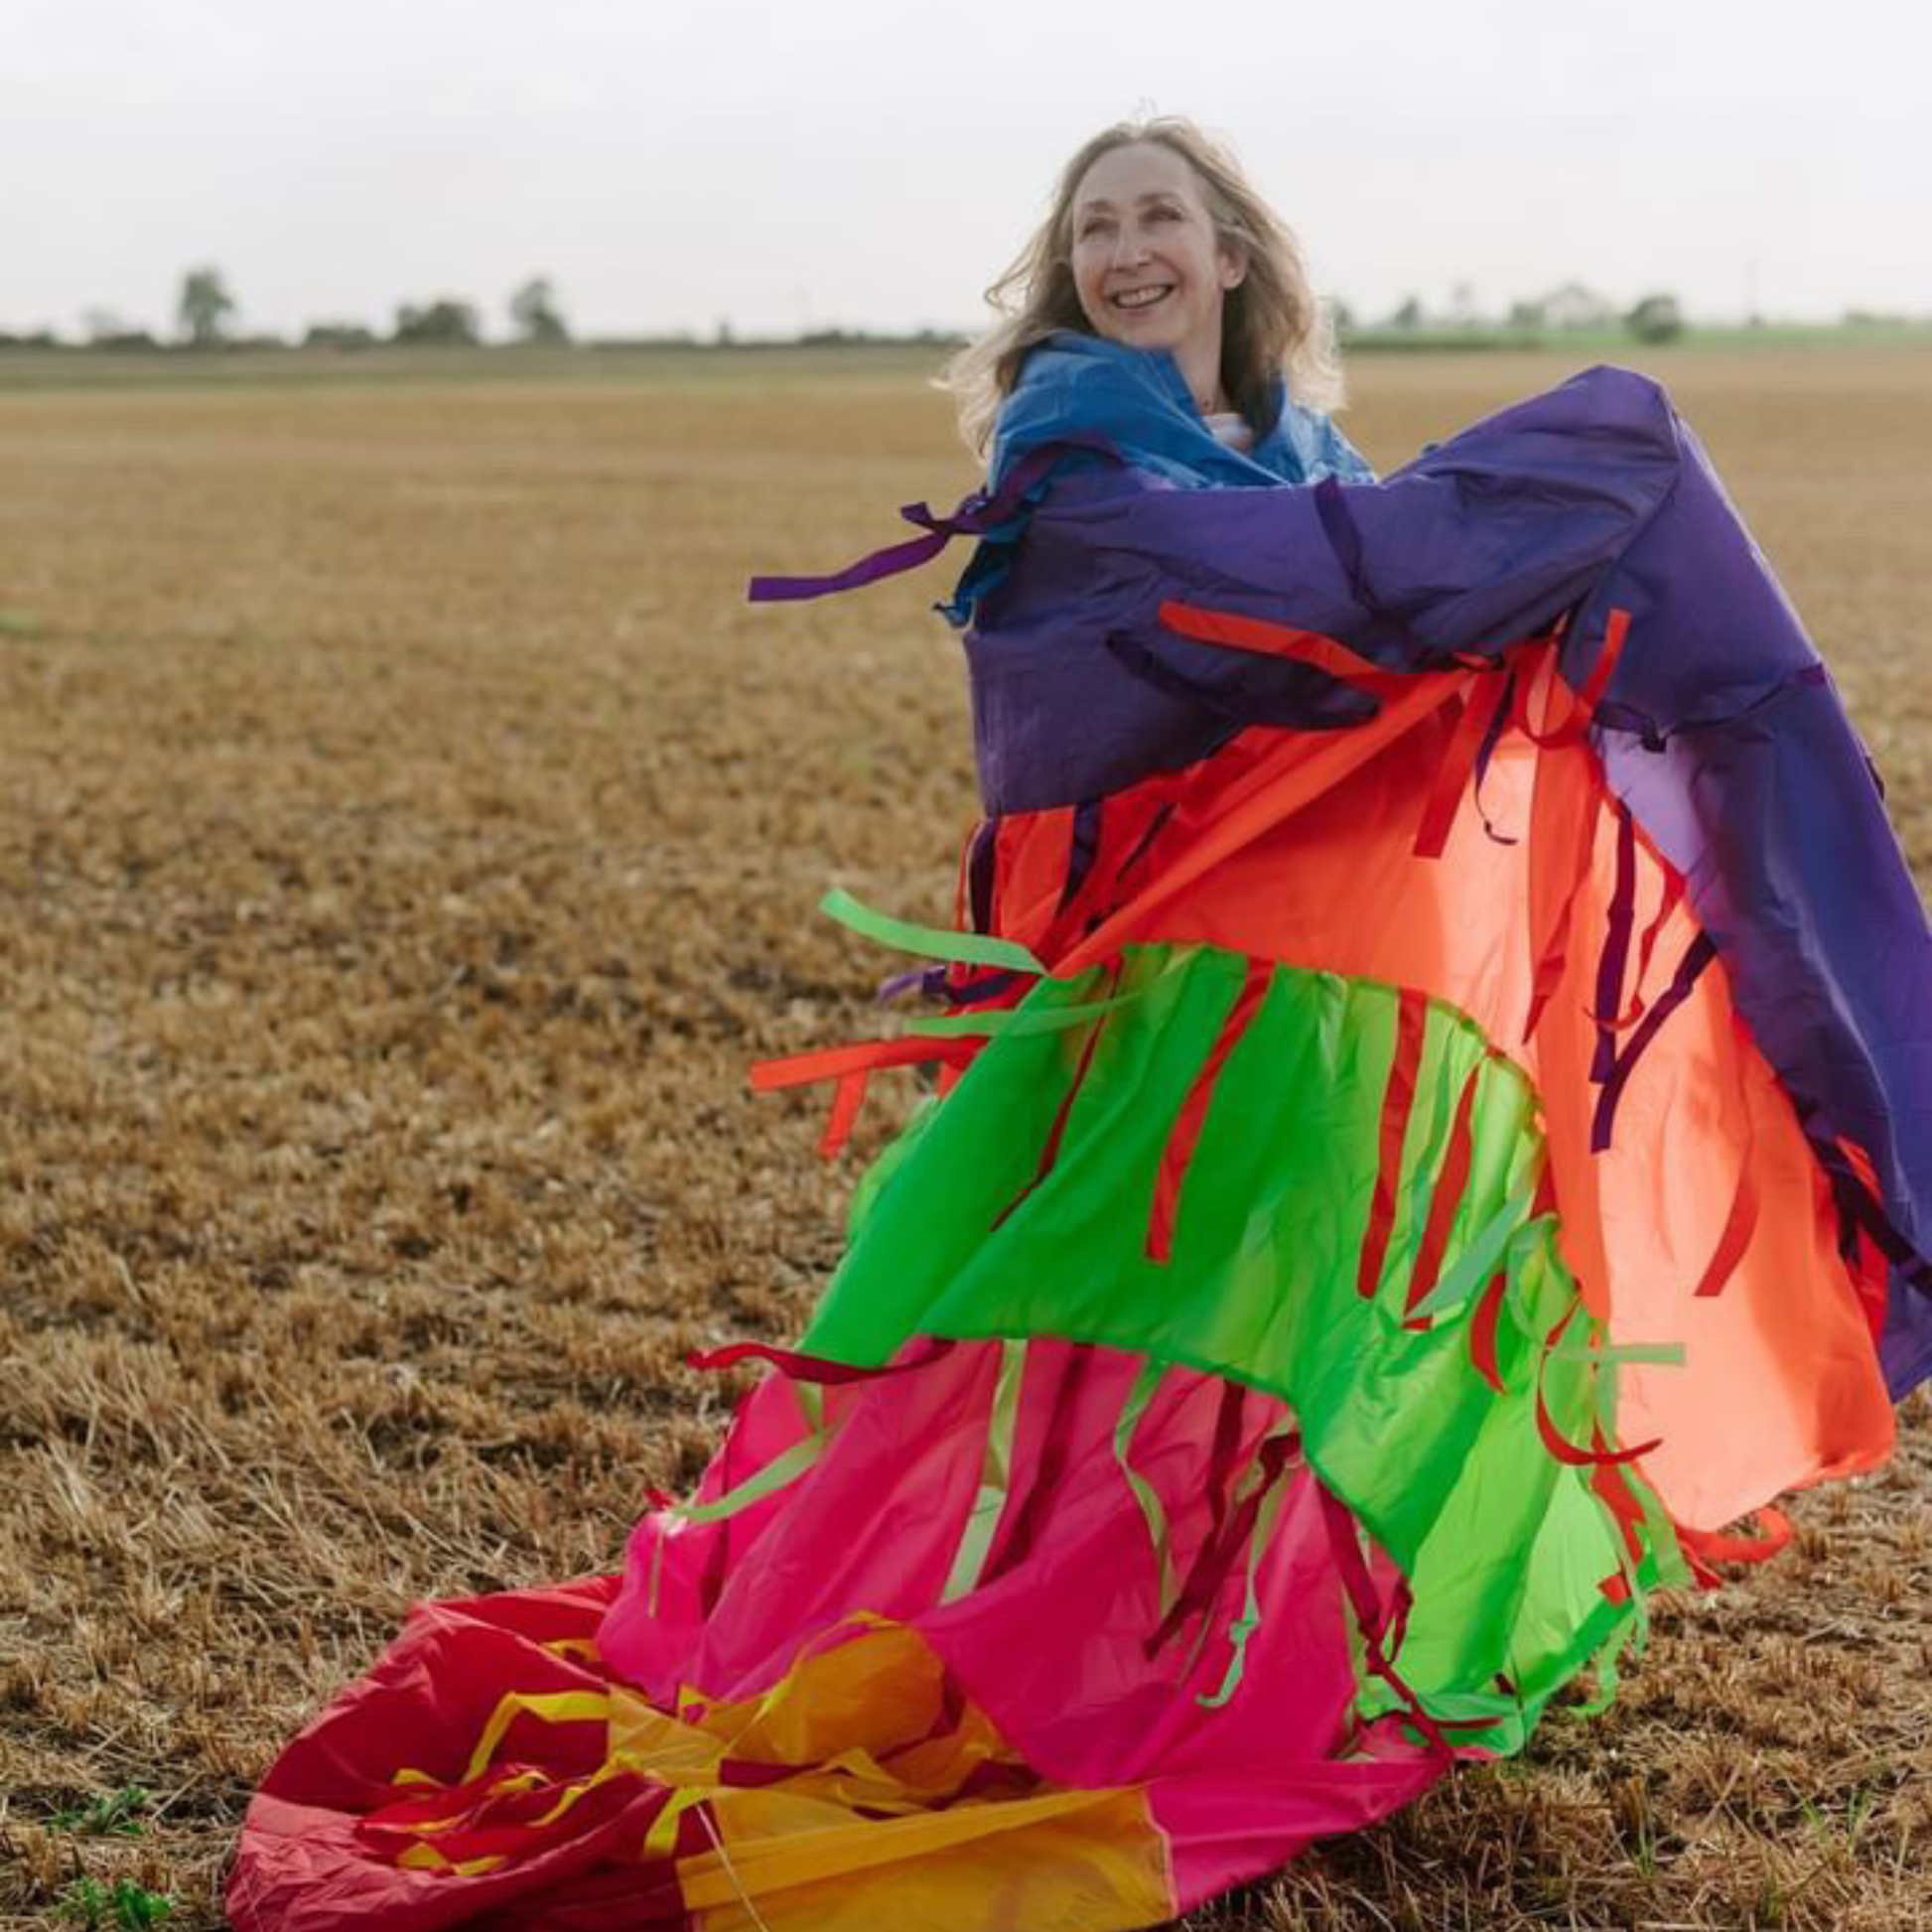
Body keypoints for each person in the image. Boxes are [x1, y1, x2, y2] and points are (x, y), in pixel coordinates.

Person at [229, 119, 1930, 1932]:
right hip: (1180, 1019)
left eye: (1162, 221)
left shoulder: (1299, 463)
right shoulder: (1074, 448)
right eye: (1096, 225)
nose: (1128, 250)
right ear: (1069, 273)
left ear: (1230, 261)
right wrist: (1558, 495)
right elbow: (1264, 612)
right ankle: (1050, 1667)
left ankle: (1209, 1650)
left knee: (1281, 1342)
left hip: (1342, 1020)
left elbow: (1370, 597)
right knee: (1112, 1344)